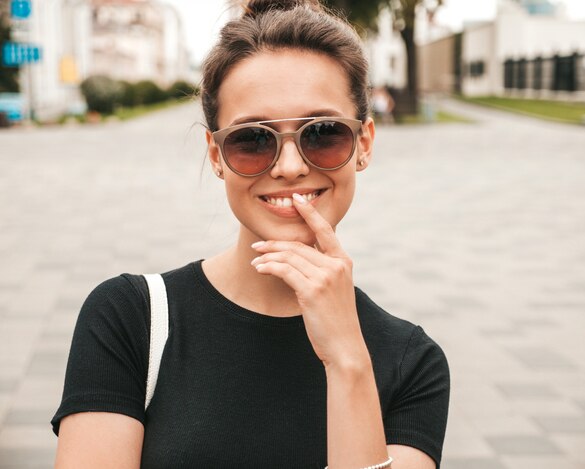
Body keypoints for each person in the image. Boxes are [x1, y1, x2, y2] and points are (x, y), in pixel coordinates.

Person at [51, 1, 450, 468]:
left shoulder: (411, 363)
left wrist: (347, 361)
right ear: (216, 154)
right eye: (253, 139)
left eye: (322, 133)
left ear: (363, 143)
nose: (290, 166)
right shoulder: (131, 319)